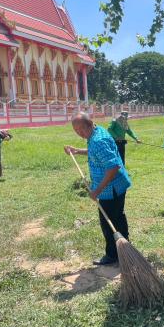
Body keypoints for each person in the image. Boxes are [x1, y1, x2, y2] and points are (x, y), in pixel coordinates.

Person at [64, 112, 131, 266]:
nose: (80, 133)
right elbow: (97, 152)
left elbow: (112, 167)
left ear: (90, 123)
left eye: (82, 129)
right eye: (76, 130)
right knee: (118, 217)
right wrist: (77, 151)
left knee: (108, 223)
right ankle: (125, 247)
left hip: (110, 189)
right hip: (118, 185)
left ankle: (113, 254)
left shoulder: (98, 140)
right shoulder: (96, 131)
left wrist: (97, 190)